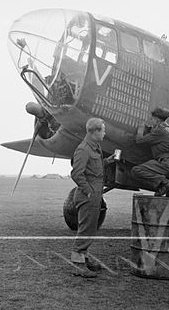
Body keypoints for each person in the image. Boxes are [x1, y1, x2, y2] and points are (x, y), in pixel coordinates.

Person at [70, 118, 115, 278]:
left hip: (94, 196)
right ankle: (77, 265)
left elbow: (92, 168)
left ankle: (84, 258)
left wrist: (107, 162)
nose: (105, 133)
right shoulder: (83, 149)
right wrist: (89, 192)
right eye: (103, 130)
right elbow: (76, 173)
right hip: (87, 196)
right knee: (85, 230)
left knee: (90, 229)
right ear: (95, 132)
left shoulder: (94, 148)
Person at [131, 107, 169, 197]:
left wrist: (141, 127)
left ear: (157, 121)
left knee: (137, 170)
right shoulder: (168, 130)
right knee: (153, 169)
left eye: (152, 119)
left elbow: (139, 140)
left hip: (167, 164)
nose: (150, 121)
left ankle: (167, 183)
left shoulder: (160, 131)